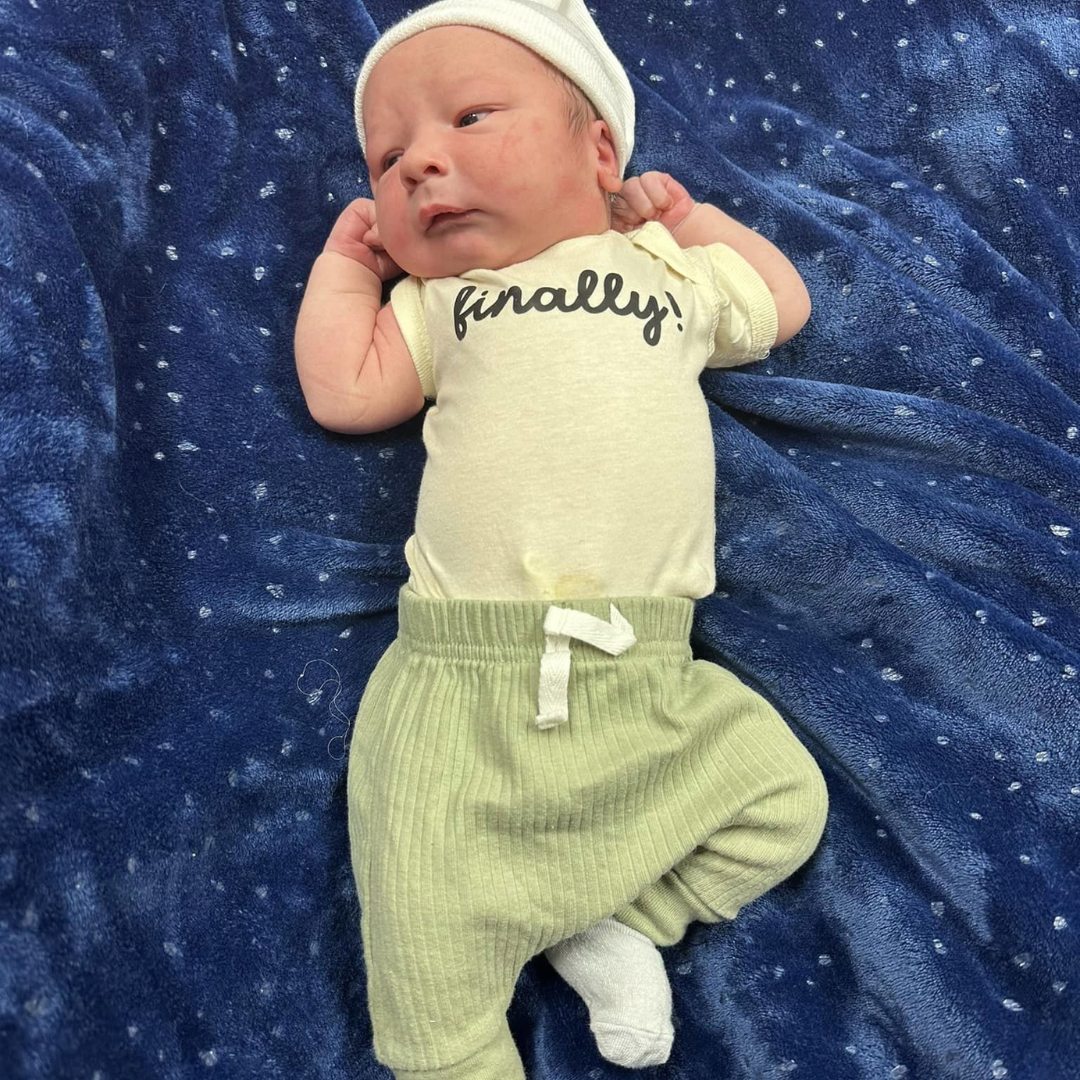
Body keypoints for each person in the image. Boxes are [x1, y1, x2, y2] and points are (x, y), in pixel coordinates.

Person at [293, 3, 827, 1077]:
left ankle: (616, 921)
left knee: (782, 801)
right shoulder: (446, 304)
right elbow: (346, 392)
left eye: (470, 118)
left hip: (646, 677)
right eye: (387, 159)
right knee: (427, 953)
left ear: (599, 154)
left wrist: (697, 222)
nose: (418, 163)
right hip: (463, 691)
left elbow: (782, 304)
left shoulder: (668, 273)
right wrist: (348, 273)